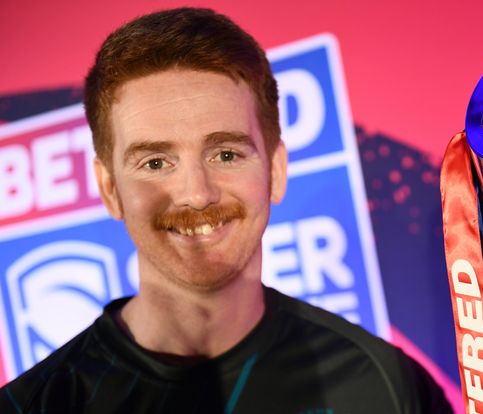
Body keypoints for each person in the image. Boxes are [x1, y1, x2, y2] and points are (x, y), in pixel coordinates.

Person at [0, 8, 451, 413]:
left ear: (275, 169)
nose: (196, 194)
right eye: (156, 163)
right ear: (109, 188)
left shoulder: (386, 386)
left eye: (226, 155)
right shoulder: (34, 404)